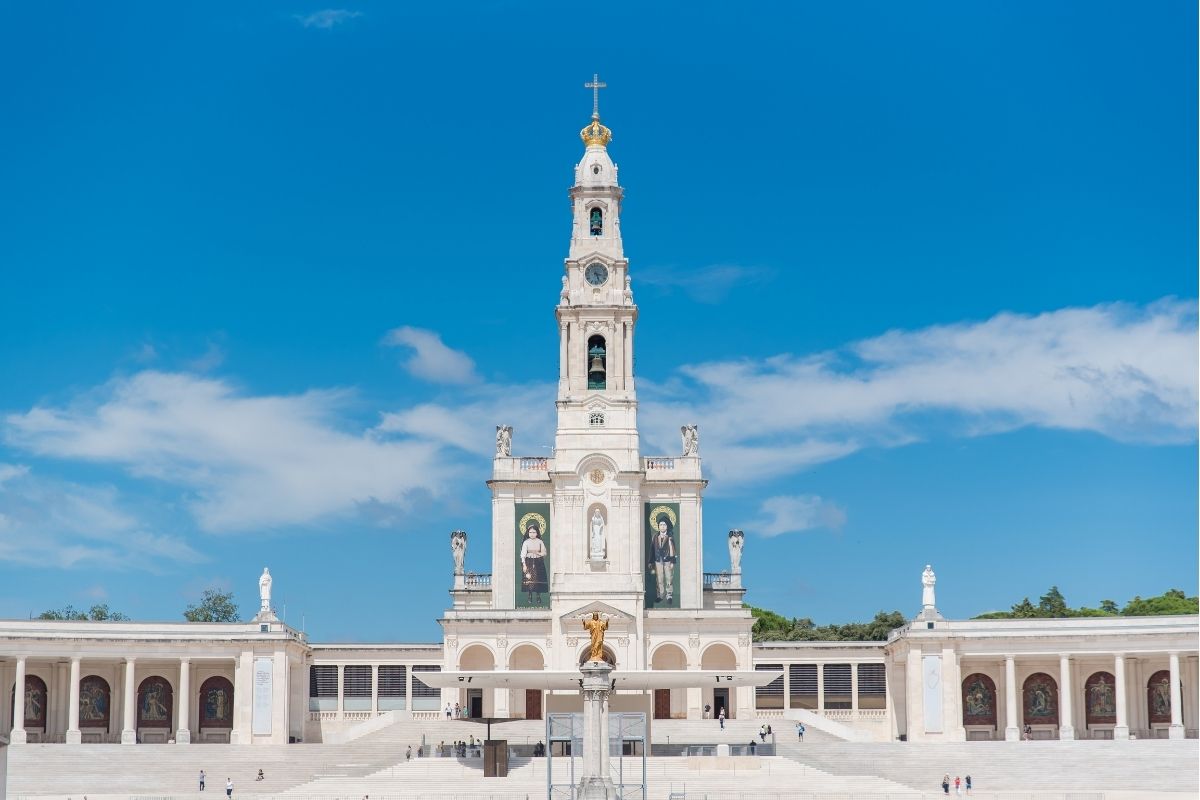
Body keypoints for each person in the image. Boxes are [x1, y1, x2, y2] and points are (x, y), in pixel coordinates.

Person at [520, 519, 549, 604]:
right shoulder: (526, 542)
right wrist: (524, 565)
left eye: (534, 532)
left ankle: (538, 596)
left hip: (538, 562)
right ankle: (529, 595)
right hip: (529, 561)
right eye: (530, 532)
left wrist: (538, 553)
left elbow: (544, 552)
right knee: (529, 579)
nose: (532, 534)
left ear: (537, 533)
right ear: (528, 533)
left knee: (538, 578)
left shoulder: (540, 542)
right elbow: (523, 554)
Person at [649, 515, 677, 604]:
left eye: (664, 525)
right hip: (658, 561)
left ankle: (669, 594)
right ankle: (660, 595)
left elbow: (672, 549)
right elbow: (652, 549)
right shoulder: (655, 537)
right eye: (661, 525)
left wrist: (672, 561)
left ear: (667, 526)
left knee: (669, 578)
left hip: (667, 560)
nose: (662, 526)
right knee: (659, 578)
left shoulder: (669, 537)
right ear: (658, 526)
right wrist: (650, 561)